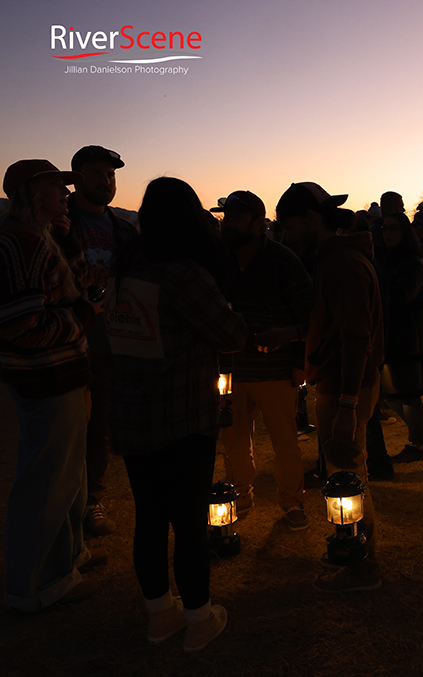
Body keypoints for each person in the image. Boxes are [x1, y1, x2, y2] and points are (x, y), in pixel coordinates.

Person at [106, 177, 246, 649]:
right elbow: (229, 333)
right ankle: (199, 619)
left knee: (149, 517)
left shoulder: (129, 264)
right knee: (188, 521)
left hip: (131, 411)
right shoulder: (184, 273)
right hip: (182, 414)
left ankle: (158, 614)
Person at [1, 159, 103, 611]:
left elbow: (81, 285)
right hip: (46, 376)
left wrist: (66, 236)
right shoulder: (20, 244)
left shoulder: (43, 238)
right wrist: (81, 319)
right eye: (55, 188)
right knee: (46, 481)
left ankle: (67, 560)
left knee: (68, 476)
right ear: (29, 194)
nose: (65, 195)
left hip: (61, 374)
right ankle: (33, 584)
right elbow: (22, 325)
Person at [275, 182, 385, 593]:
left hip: (344, 387)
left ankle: (361, 565)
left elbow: (358, 337)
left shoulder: (342, 265)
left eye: (288, 225)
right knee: (352, 472)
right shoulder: (335, 259)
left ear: (311, 220)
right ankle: (359, 557)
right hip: (341, 382)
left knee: (346, 477)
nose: (284, 235)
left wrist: (346, 404)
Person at [215, 190, 313, 529]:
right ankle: (240, 494)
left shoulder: (283, 261)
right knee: (234, 439)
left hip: (274, 370)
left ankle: (292, 501)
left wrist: (297, 357)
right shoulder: (219, 259)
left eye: (236, 218)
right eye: (226, 217)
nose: (228, 224)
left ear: (259, 223)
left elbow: (308, 316)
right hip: (230, 370)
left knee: (285, 440)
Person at [67, 145, 137, 538]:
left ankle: (92, 500)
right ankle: (67, 502)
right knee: (69, 426)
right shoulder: (60, 224)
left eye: (111, 175)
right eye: (97, 174)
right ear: (76, 178)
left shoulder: (123, 230)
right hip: (70, 342)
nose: (106, 182)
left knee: (101, 428)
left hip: (112, 344)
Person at [379, 212, 423, 462]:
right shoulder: (389, 259)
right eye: (385, 228)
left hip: (411, 336)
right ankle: (420, 431)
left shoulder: (414, 262)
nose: (388, 233)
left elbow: (401, 297)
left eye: (393, 228)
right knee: (391, 394)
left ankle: (418, 444)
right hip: (394, 333)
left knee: (408, 392)